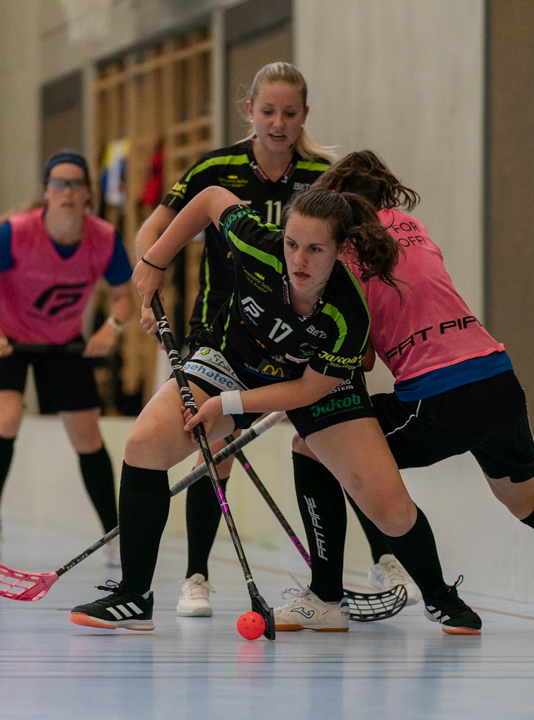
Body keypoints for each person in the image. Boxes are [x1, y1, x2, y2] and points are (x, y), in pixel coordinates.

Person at [67, 185, 482, 635]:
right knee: (144, 443)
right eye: (292, 244)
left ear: (342, 249)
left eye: (315, 249)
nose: (299, 260)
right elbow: (209, 198)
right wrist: (155, 261)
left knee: (391, 511)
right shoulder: (256, 242)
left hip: (315, 385)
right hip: (231, 361)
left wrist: (227, 406)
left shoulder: (348, 314)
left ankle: (440, 598)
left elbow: (305, 391)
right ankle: (134, 595)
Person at [292, 150, 534, 630]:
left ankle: (374, 598)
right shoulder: (411, 227)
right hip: (498, 380)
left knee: (317, 447)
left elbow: (359, 357)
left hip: (437, 396)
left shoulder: (342, 256)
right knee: (528, 502)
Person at [134, 62, 418, 616]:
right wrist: (150, 271)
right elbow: (157, 227)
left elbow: (360, 258)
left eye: (290, 113)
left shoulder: (322, 176)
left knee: (337, 439)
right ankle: (196, 574)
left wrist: (363, 341)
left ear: (304, 115)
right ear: (250, 112)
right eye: (268, 111)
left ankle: (383, 557)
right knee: (211, 444)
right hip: (228, 332)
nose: (279, 123)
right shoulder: (217, 167)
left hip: (312, 337)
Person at [0, 149, 134, 565]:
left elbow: (123, 297)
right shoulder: (15, 233)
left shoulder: (104, 240)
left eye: (77, 183)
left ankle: (114, 532)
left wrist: (111, 328)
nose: (68, 191)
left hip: (62, 341)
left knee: (87, 437)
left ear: (88, 194)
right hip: (8, 338)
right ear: (47, 191)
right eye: (59, 183)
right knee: (6, 418)